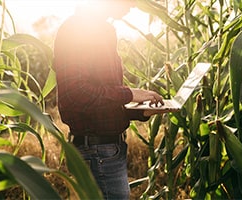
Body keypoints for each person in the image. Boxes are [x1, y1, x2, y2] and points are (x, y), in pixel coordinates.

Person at [54, 1, 163, 199]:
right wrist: (129, 94)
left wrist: (141, 111)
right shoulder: (78, 29)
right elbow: (75, 94)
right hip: (97, 152)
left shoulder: (102, 30)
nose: (132, 7)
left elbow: (98, 101)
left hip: (106, 151)